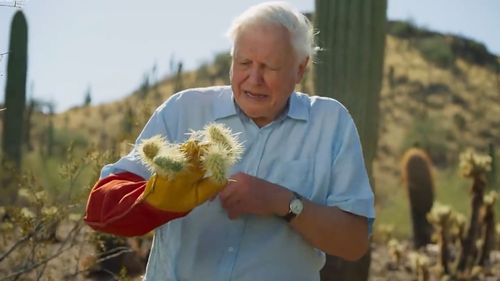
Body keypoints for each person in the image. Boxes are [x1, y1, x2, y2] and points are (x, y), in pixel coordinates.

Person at [84, 2, 375, 280]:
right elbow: (100, 207)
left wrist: (281, 201)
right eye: (244, 62)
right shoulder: (185, 109)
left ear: (300, 68)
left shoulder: (330, 122)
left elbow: (354, 242)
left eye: (270, 66)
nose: (253, 78)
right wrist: (157, 198)